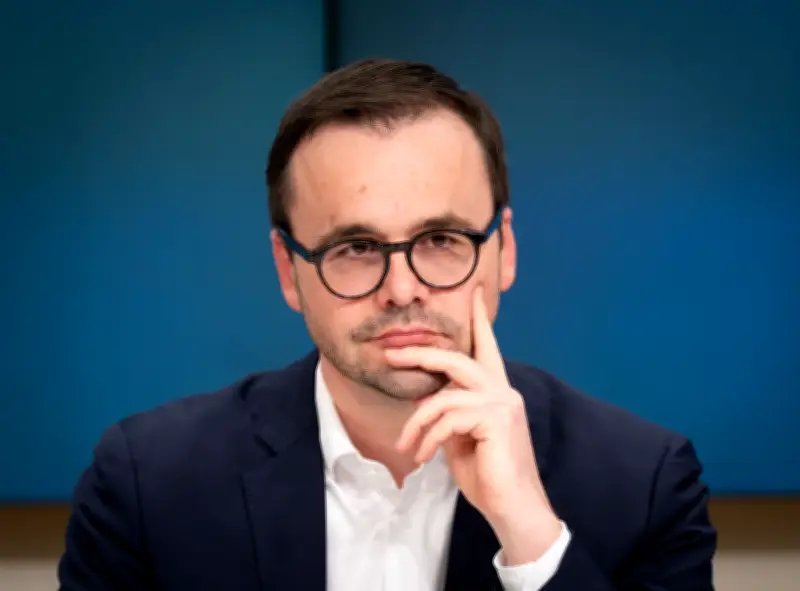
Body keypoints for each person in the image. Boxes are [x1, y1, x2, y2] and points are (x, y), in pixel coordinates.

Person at [58, 59, 717, 591]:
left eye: (441, 240)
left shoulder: (646, 484)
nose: (402, 290)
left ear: (504, 250)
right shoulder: (146, 483)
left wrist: (531, 538)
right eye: (355, 248)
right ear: (289, 270)